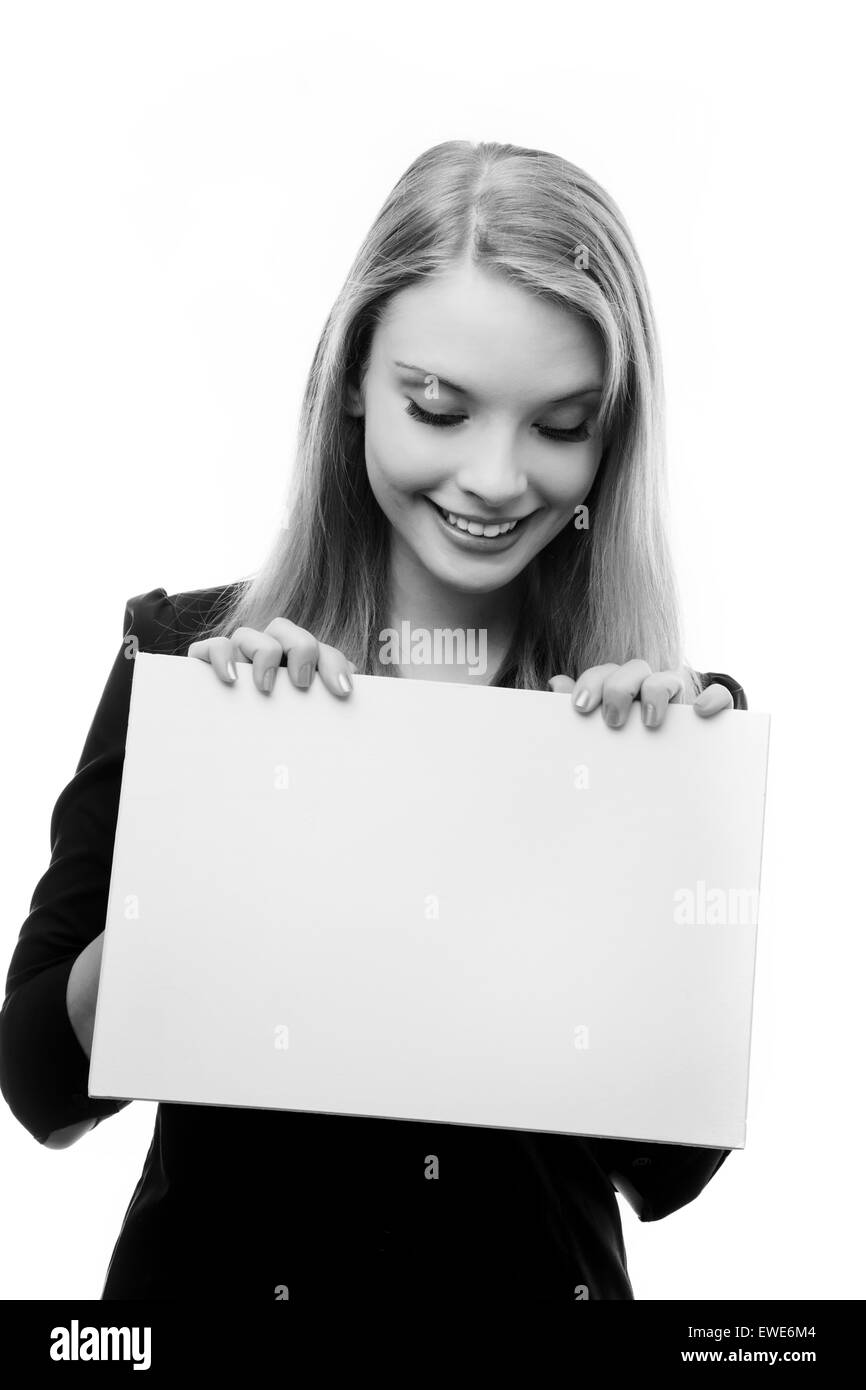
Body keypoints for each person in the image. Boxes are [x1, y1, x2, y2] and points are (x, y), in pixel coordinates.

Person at [0, 140, 747, 1303]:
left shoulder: (651, 730)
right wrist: (212, 823)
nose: (494, 478)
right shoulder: (190, 662)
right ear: (352, 374)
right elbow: (40, 1081)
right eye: (438, 407)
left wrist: (630, 847)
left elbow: (668, 1170)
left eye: (560, 425)